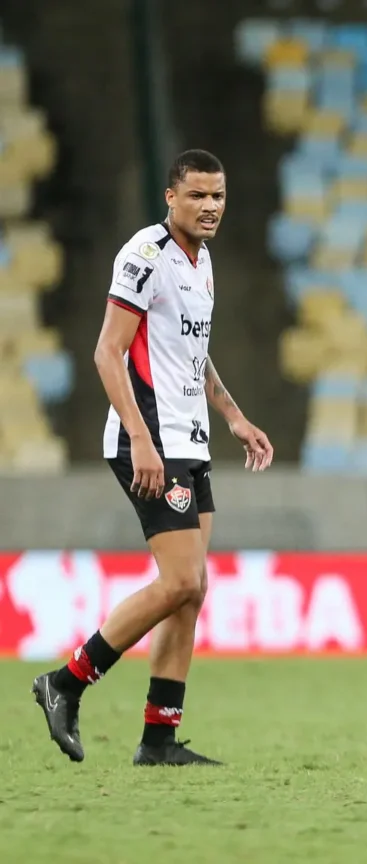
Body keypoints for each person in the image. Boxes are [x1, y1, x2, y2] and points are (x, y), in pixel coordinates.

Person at [31, 149, 274, 766]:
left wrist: (234, 416)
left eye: (218, 195)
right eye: (198, 195)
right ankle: (64, 682)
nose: (211, 206)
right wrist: (141, 437)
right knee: (180, 580)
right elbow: (108, 352)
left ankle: (159, 739)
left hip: (190, 438)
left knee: (192, 591)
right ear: (172, 197)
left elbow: (194, 355)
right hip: (151, 441)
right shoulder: (145, 255)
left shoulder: (205, 262)